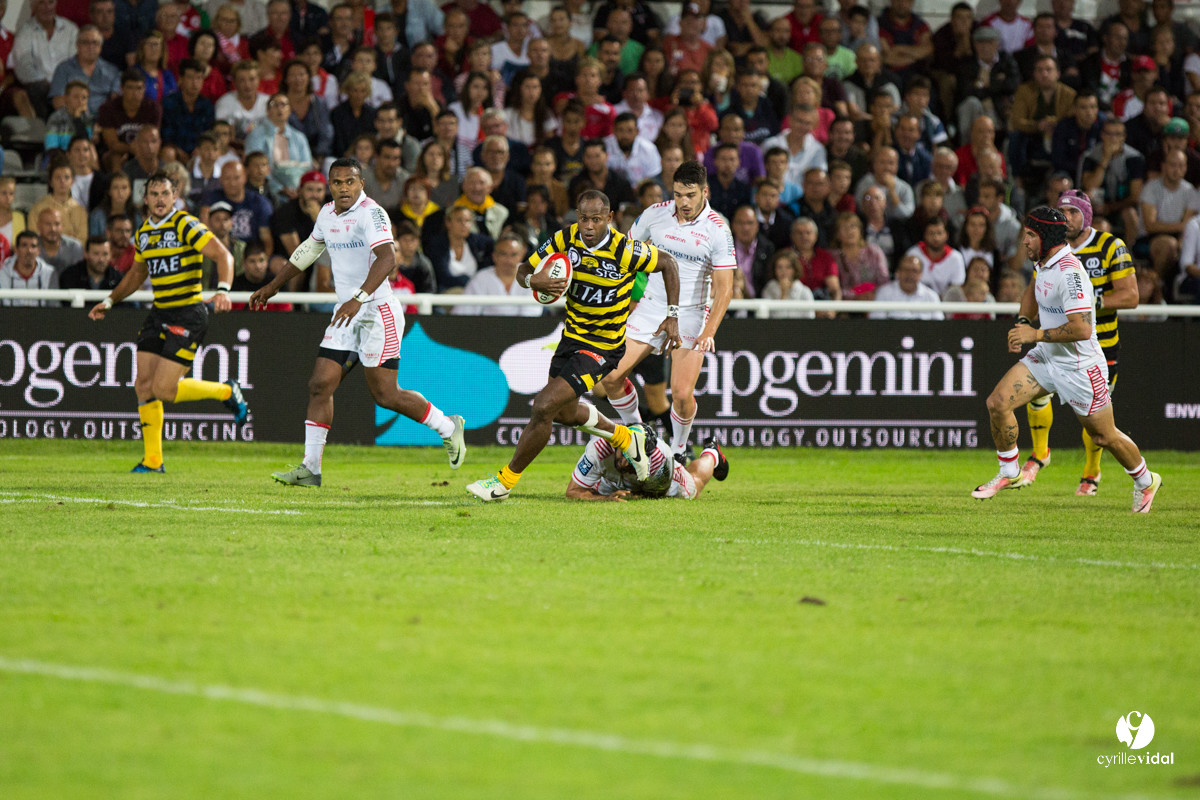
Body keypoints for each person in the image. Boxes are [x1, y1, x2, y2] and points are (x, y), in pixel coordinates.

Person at [247, 157, 464, 485]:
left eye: (350, 181)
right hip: (347, 312)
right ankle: (310, 468)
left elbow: (388, 257)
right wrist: (272, 286)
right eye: (337, 182)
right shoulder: (327, 214)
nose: (343, 188)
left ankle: (448, 427)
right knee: (320, 385)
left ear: (362, 183)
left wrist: (358, 297)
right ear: (330, 186)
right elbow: (309, 249)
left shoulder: (372, 213)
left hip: (377, 312)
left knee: (386, 395)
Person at [466, 189, 681, 501]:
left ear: (609, 218)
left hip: (602, 346)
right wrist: (532, 281)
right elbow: (524, 270)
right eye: (583, 219)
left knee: (543, 406)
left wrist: (672, 316)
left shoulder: (626, 250)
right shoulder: (565, 239)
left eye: (596, 219)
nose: (589, 226)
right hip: (571, 339)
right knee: (565, 414)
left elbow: (669, 265)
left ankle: (502, 483)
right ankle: (626, 439)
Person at [972, 206, 1161, 512]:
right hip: (1048, 358)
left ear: (1046, 237)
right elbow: (1032, 291)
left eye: (1031, 235)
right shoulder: (1043, 263)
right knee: (997, 403)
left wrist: (1035, 335)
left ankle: (1145, 479)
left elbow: (1083, 328)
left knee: (1103, 436)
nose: (1025, 242)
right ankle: (1010, 473)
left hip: (1080, 368)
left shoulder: (1071, 274)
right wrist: (1023, 321)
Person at [87, 170, 247, 473]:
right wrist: (110, 301)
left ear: (175, 197)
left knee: (163, 389)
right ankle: (153, 460)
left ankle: (227, 391)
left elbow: (223, 256)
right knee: (143, 385)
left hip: (188, 313)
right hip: (159, 313)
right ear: (145, 199)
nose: (159, 199)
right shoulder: (144, 233)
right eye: (154, 194)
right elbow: (137, 274)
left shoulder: (185, 224)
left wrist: (223, 290)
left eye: (165, 193)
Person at [596, 160, 733, 456]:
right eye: (678, 194)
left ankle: (679, 448)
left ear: (705, 192)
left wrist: (709, 332)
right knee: (610, 378)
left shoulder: (718, 229)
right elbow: (623, 255)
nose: (683, 202)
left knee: (682, 395)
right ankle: (636, 433)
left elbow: (725, 288)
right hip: (651, 307)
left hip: (692, 314)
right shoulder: (654, 215)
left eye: (691, 195)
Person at [1020, 191, 1139, 497]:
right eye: (1062, 211)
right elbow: (1033, 287)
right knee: (1033, 398)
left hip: (1096, 347)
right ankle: (1038, 455)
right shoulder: (1048, 250)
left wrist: (1087, 301)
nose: (1066, 217)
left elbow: (1132, 296)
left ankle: (1092, 473)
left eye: (1073, 212)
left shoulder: (1110, 245)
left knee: (1098, 426)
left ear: (1086, 215)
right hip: (1051, 348)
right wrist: (1025, 321)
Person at [565, 426, 729, 501]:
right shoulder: (599, 448)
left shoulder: (659, 459)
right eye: (626, 453)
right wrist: (605, 498)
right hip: (613, 480)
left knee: (695, 486)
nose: (625, 463)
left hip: (656, 478)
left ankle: (711, 454)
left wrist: (638, 495)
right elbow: (573, 492)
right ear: (618, 444)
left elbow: (656, 493)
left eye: (635, 460)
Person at [0, 232, 58, 306]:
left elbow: (55, 308)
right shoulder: (2, 274)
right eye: (24, 245)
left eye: (33, 246)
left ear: (38, 251)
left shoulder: (49, 273)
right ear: (16, 250)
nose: (29, 251)